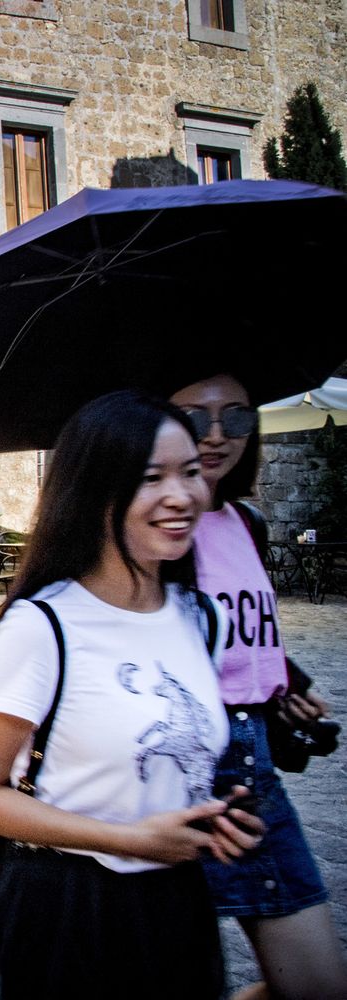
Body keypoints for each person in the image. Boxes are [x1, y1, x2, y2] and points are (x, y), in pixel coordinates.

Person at [0, 391, 264, 999]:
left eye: (190, 472)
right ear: (95, 492)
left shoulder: (204, 619)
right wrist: (133, 839)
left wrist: (215, 817)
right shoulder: (44, 627)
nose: (182, 496)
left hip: (177, 904)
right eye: (152, 478)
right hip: (70, 907)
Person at [170, 373, 347, 1000]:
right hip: (185, 768)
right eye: (195, 417)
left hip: (253, 763)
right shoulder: (158, 526)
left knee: (317, 984)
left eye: (238, 417)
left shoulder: (245, 521)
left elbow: (240, 629)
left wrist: (285, 684)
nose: (218, 435)